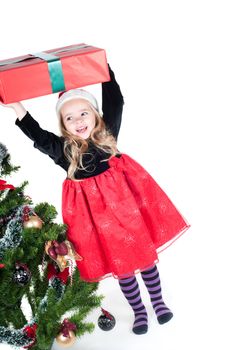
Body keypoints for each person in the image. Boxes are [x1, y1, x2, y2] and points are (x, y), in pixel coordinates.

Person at [0, 65, 189, 335]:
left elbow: (116, 101)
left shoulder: (107, 136)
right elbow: (38, 136)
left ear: (96, 115)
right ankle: (139, 312)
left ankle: (158, 303)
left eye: (83, 113)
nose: (78, 121)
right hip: (99, 222)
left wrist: (104, 69)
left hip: (128, 211)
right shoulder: (65, 152)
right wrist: (17, 107)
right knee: (123, 268)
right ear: (63, 125)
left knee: (145, 259)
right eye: (69, 118)